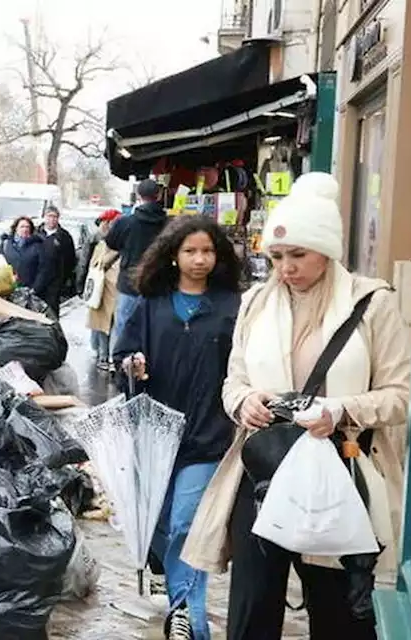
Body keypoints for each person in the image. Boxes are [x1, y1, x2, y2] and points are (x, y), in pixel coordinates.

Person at [180, 173, 411, 640]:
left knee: (339, 612)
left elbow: (400, 395)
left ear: (327, 249)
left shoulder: (372, 304)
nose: (286, 267)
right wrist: (245, 402)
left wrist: (339, 411)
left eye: (298, 254)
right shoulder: (255, 304)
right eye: (277, 256)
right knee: (250, 611)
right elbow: (234, 380)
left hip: (341, 472)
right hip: (264, 470)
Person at [114, 215, 243, 640]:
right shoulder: (150, 303)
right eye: (190, 251)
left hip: (209, 434)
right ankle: (180, 603)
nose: (199, 259)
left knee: (189, 524)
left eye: (207, 251)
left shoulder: (231, 306)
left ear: (218, 255)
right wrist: (131, 362)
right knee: (163, 523)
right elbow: (124, 353)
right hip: (156, 434)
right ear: (173, 255)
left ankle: (188, 618)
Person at [105, 178, 169, 343]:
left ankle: (120, 363)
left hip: (129, 283)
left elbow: (111, 242)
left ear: (138, 195)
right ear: (159, 195)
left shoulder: (126, 222)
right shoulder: (169, 224)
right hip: (158, 284)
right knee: (154, 329)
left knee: (124, 326)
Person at [85, 209, 122, 372]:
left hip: (108, 289)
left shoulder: (106, 243)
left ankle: (106, 356)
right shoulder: (103, 243)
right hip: (104, 289)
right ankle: (105, 356)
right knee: (105, 324)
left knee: (108, 325)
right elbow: (92, 263)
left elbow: (91, 264)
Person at [39, 205, 77, 314]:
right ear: (44, 217)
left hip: (55, 280)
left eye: (54, 216)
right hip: (37, 280)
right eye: (49, 216)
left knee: (52, 311)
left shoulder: (64, 236)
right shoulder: (37, 233)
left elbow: (70, 259)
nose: (52, 219)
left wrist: (63, 279)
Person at [1, 216, 48, 290]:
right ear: (16, 228)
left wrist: (35, 289)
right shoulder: (6, 244)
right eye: (22, 227)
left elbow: (43, 270)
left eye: (27, 227)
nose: (25, 229)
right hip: (8, 289)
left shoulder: (38, 246)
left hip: (29, 290)